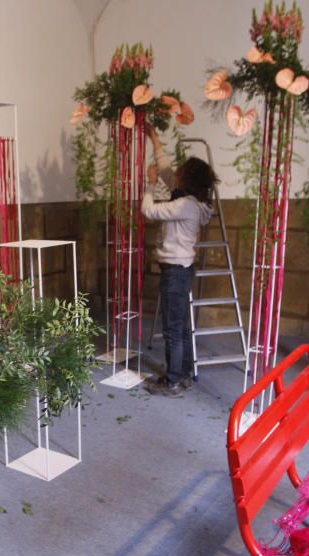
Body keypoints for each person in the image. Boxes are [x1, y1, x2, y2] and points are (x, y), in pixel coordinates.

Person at [141, 128, 218, 397]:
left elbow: (149, 210)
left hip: (175, 271)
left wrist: (150, 184)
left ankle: (172, 381)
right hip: (182, 269)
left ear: (189, 180)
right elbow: (166, 169)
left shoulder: (185, 204)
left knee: (173, 329)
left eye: (181, 172)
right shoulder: (194, 202)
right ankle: (182, 375)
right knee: (181, 325)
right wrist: (154, 139)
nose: (176, 174)